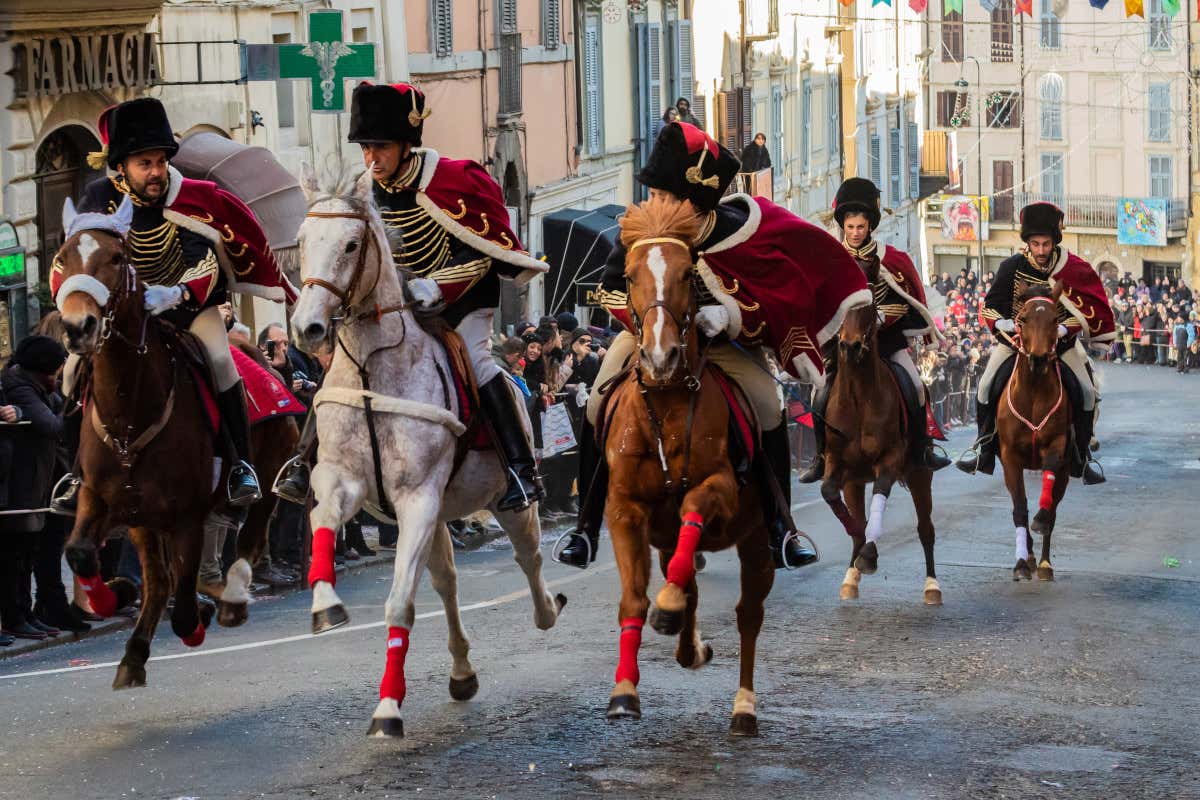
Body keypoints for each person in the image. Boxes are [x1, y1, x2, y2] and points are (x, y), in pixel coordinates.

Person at [558, 120, 868, 570]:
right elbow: (610, 289)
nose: (657, 201)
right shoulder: (641, 229)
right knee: (596, 404)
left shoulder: (735, 230)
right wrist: (650, 326)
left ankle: (781, 528)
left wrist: (729, 314)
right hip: (648, 337)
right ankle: (585, 528)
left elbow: (776, 295)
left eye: (666, 194)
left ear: (693, 199)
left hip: (724, 343)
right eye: (656, 192)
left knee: (768, 406)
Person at [273, 82, 548, 512]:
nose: (371, 158)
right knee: (347, 364)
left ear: (406, 144)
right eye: (365, 148)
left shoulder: (455, 181)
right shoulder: (365, 192)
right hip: (396, 306)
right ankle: (302, 461)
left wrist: (437, 285)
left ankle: (520, 468)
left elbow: (483, 253)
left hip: (462, 303)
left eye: (381, 147)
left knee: (478, 361)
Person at [51, 97, 295, 513]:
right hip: (121, 315)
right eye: (145, 163)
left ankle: (240, 465)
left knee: (221, 362)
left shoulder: (191, 198)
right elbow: (73, 257)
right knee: (73, 369)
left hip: (187, 309)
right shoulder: (97, 197)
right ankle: (77, 474)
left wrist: (176, 293)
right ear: (122, 166)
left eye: (161, 162)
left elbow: (206, 262)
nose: (156, 172)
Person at [799, 177, 950, 483]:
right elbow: (820, 302)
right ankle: (820, 457)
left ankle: (921, 449)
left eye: (860, 227)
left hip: (886, 341)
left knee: (916, 386)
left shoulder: (892, 259)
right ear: (843, 225)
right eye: (850, 227)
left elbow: (905, 302)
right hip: (844, 342)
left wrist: (880, 317)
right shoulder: (830, 258)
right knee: (820, 392)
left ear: (870, 226)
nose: (855, 232)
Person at [955, 202, 1115, 483]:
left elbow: (1087, 313)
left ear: (1054, 242)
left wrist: (1065, 328)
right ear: (1027, 243)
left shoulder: (1073, 268)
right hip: (1016, 342)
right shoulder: (1011, 267)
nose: (1041, 250)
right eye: (1036, 244)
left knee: (1087, 392)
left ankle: (1082, 455)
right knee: (985, 386)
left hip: (1061, 345)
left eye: (1046, 244)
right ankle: (984, 448)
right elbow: (990, 307)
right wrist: (1002, 324)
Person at [0, 336, 67, 640]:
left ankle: (24, 613)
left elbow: (56, 411)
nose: (58, 377)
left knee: (26, 553)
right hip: (20, 483)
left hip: (34, 481)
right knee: (14, 555)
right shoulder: (21, 387)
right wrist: (74, 406)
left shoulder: (36, 388)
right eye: (56, 371)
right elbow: (54, 425)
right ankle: (14, 616)